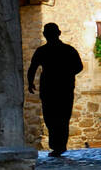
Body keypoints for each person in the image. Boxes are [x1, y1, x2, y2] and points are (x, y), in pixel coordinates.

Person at [27, 23, 84, 157]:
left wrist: (30, 82)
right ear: (59, 33)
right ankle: (60, 145)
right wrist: (68, 74)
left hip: (50, 88)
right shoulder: (68, 50)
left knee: (51, 117)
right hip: (64, 88)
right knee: (62, 117)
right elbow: (79, 67)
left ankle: (57, 146)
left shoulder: (42, 51)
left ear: (45, 35)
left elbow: (33, 67)